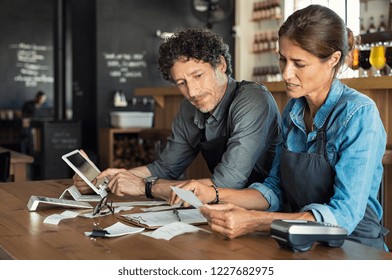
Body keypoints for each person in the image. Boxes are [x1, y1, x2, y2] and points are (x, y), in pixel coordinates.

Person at [172, 5, 388, 250]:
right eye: (282, 59)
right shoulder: (293, 111)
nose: (286, 73)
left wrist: (255, 222)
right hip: (300, 243)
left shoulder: (359, 114)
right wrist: (213, 194)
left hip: (354, 249)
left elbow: (343, 217)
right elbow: (275, 189)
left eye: (299, 63)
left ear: (333, 60)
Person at [74, 27, 281, 201]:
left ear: (221, 65)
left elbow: (227, 183)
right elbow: (165, 168)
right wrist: (110, 178)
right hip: (225, 210)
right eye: (181, 83)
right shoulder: (188, 108)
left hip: (269, 209)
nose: (192, 92)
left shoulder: (252, 99)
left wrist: (145, 187)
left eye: (198, 76)